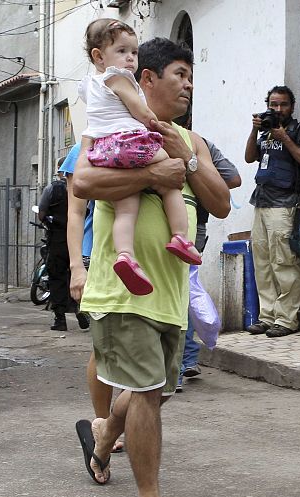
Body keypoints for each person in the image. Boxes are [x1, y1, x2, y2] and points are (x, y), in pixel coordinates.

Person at [72, 37, 229, 497]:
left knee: (154, 392)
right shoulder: (107, 129)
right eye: (179, 74)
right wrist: (154, 171)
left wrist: (185, 161)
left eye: (191, 76)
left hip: (171, 292)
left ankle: (102, 439)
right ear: (148, 80)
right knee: (146, 392)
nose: (188, 84)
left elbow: (222, 203)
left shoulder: (191, 140)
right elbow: (83, 184)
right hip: (122, 291)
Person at [79, 18, 201, 297]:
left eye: (133, 52)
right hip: (130, 143)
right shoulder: (119, 79)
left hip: (105, 150)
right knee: (171, 177)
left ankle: (125, 256)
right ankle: (181, 237)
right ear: (99, 57)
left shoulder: (90, 85)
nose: (131, 58)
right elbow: (140, 112)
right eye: (122, 51)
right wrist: (154, 125)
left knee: (126, 206)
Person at [244, 85, 300, 337]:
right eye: (273, 105)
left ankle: (286, 320)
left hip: (285, 204)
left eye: (282, 105)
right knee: (262, 264)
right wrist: (256, 129)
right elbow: (248, 157)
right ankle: (267, 316)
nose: (277, 109)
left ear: (291, 107)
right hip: (262, 202)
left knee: (284, 263)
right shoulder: (264, 131)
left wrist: (285, 137)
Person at [65, 143, 124, 452]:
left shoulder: (143, 138)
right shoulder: (83, 149)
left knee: (130, 345)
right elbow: (75, 213)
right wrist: (77, 267)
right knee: (103, 347)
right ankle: (103, 422)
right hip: (97, 258)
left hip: (136, 260)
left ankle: (119, 419)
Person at [177, 138, 242, 392]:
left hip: (190, 224)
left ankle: (177, 366)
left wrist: (196, 177)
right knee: (185, 288)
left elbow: (234, 179)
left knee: (180, 290)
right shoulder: (200, 141)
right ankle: (188, 358)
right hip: (194, 227)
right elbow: (234, 177)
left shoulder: (197, 142)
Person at [37, 158, 90, 331]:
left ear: (61, 170)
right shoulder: (82, 185)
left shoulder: (52, 188)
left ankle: (60, 319)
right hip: (79, 240)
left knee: (57, 278)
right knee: (77, 276)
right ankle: (81, 312)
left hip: (58, 240)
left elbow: (41, 212)